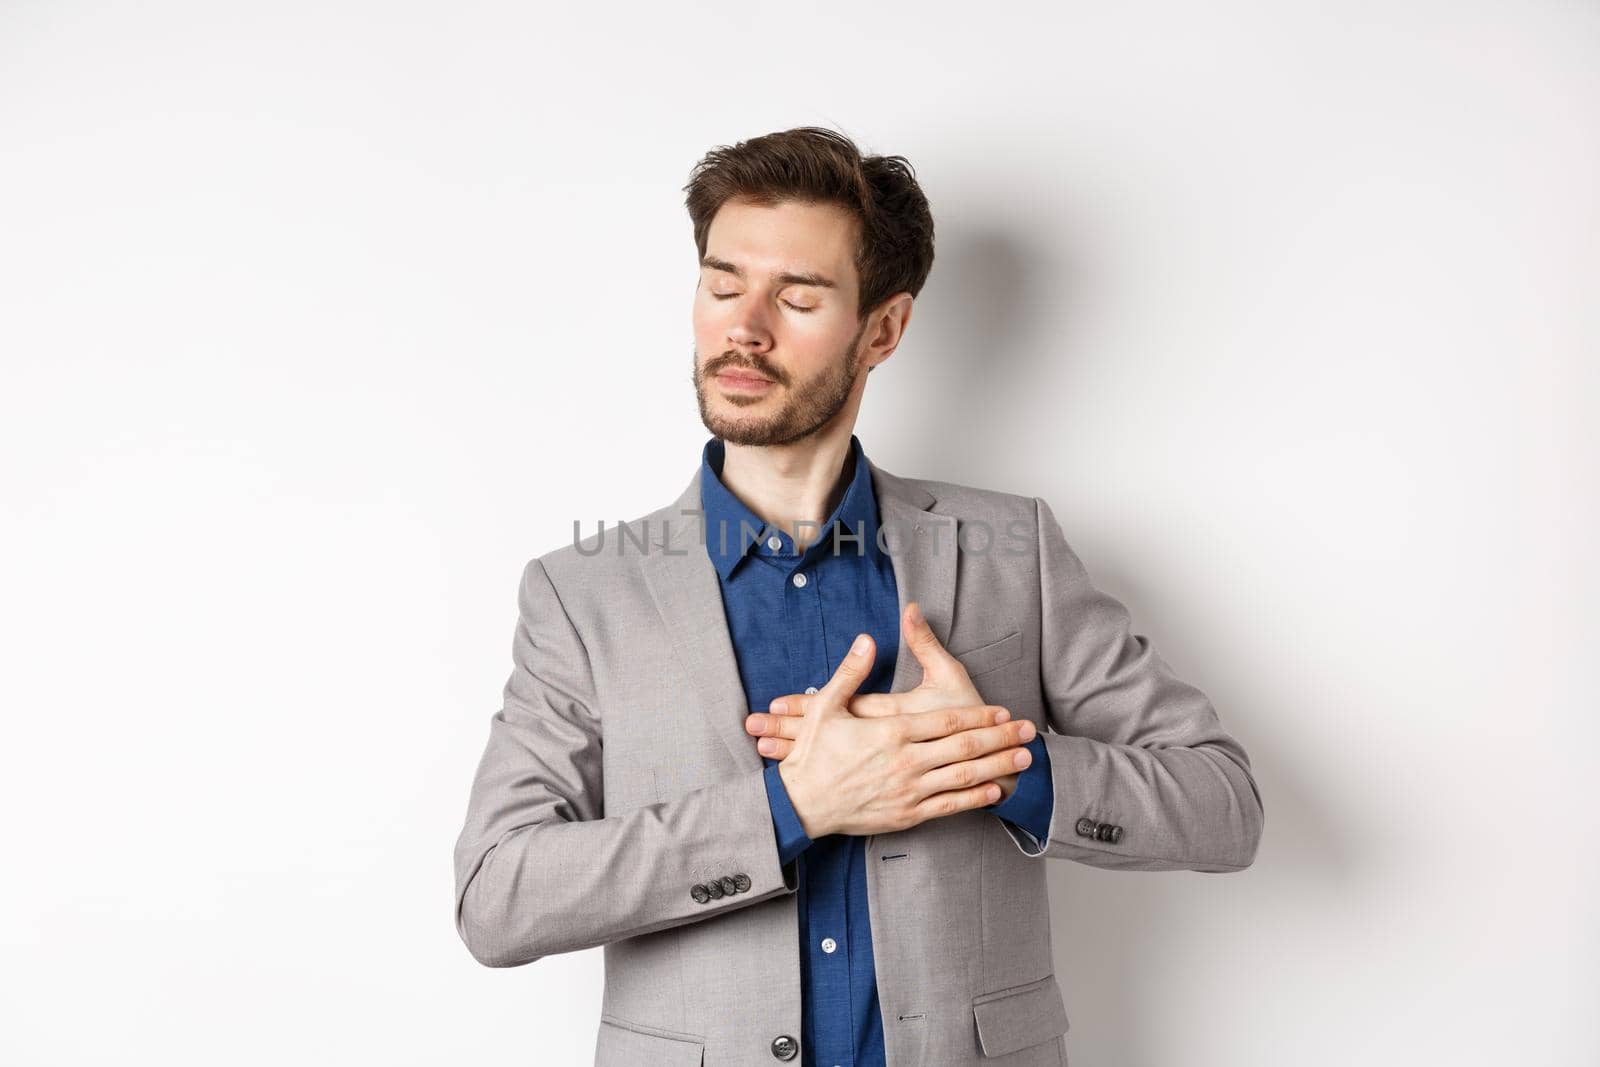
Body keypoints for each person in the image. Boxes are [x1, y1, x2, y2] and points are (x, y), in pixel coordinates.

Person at [452, 126, 1264, 1067]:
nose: (745, 327)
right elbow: (496, 896)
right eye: (722, 285)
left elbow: (1224, 803)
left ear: (883, 329)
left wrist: (1000, 761)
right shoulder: (581, 592)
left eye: (797, 297)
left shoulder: (1013, 551)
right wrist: (793, 803)